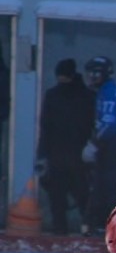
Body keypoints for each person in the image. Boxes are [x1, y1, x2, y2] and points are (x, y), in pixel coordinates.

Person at [35, 59, 96, 235]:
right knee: (68, 195)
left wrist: (43, 153)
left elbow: (46, 126)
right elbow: (45, 126)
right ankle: (77, 228)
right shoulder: (86, 96)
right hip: (73, 154)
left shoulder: (55, 95)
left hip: (68, 153)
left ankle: (68, 229)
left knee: (70, 195)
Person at [81, 56, 116, 236]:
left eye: (94, 73)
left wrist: (93, 144)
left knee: (115, 188)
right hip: (109, 145)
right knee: (101, 185)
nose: (91, 78)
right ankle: (99, 225)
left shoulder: (108, 93)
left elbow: (109, 124)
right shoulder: (105, 91)